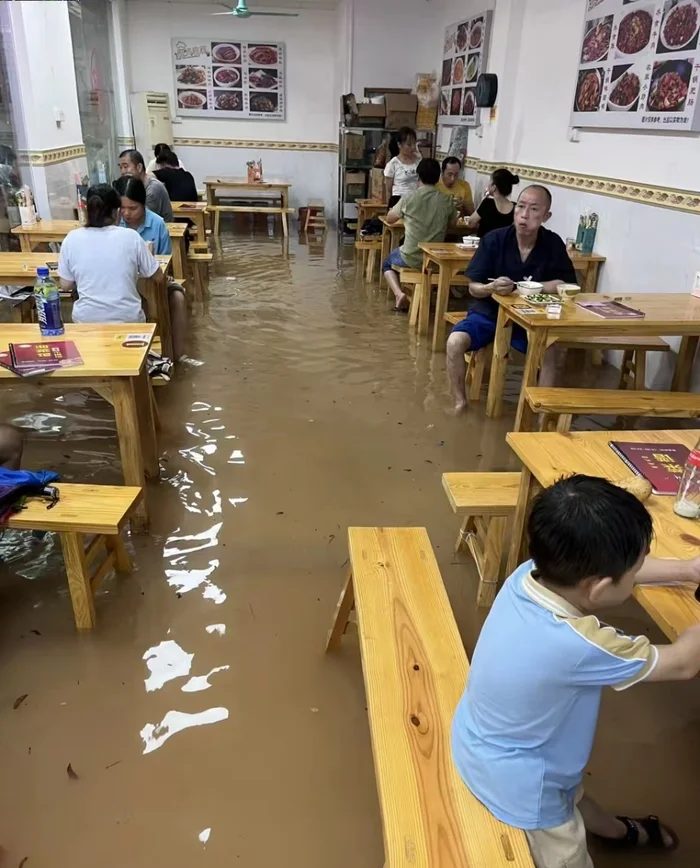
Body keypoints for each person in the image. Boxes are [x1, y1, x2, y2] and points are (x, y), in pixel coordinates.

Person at [452, 475, 693, 867]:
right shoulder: (579, 644)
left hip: (477, 736)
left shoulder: (528, 575)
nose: (637, 575)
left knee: (571, 787)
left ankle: (611, 830)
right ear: (598, 589)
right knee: (567, 853)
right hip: (521, 787)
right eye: (634, 572)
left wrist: (687, 570)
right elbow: (683, 663)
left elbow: (611, 570)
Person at [446, 185, 576, 413]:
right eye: (521, 207)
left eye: (534, 209)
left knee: (551, 351)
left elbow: (567, 284)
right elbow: (473, 288)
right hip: (488, 313)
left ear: (546, 216)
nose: (524, 215)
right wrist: (491, 287)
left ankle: (541, 415)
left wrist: (534, 288)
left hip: (530, 319)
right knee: (454, 343)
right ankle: (460, 402)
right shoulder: (494, 240)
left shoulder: (552, 243)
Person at [112, 176, 189, 362]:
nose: (127, 214)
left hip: (155, 279)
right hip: (123, 282)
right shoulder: (115, 224)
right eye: (122, 208)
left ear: (143, 205)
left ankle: (175, 356)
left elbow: (165, 263)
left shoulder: (157, 224)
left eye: (133, 208)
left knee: (178, 297)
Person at [382, 158, 459, 311]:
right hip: (434, 259)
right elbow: (453, 225)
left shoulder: (409, 197)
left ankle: (398, 294)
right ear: (438, 178)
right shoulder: (447, 200)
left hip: (410, 256)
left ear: (418, 176)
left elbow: (390, 219)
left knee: (387, 263)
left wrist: (406, 218)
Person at [118, 148, 173, 222]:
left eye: (125, 167)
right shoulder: (131, 186)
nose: (122, 171)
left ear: (139, 167)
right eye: (120, 167)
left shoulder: (153, 188)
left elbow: (144, 218)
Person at [466, 168, 518, 238]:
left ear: (494, 187)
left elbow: (471, 223)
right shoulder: (516, 207)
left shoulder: (487, 203)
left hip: (486, 246)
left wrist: (484, 199)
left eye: (490, 181)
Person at [383, 127, 420, 208]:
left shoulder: (419, 161)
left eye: (414, 144)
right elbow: (388, 190)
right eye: (409, 144)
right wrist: (389, 208)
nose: (413, 147)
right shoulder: (393, 164)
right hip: (399, 202)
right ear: (399, 144)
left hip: (415, 202)